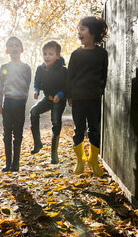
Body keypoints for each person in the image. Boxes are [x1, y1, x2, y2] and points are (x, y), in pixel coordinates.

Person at [67, 16, 109, 176]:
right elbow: (69, 76)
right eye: (79, 29)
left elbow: (104, 75)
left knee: (94, 130)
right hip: (78, 98)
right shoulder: (75, 54)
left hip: (94, 99)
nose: (79, 32)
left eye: (82, 29)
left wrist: (100, 91)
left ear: (93, 32)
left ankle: (93, 160)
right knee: (79, 129)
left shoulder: (102, 54)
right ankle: (80, 160)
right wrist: (69, 94)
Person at [0, 36, 31, 172]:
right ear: (7, 51)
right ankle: (8, 163)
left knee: (18, 132)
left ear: (22, 49)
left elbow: (27, 86)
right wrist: (0, 103)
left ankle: (16, 163)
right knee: (7, 133)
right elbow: (0, 87)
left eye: (17, 45)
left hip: (20, 103)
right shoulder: (4, 68)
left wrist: (23, 101)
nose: (14, 48)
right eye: (11, 46)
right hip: (8, 102)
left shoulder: (26, 68)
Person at [30, 41, 67, 164]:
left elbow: (67, 86)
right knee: (33, 111)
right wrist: (36, 91)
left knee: (55, 121)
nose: (47, 56)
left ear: (58, 56)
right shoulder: (40, 69)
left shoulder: (63, 71)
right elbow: (36, 82)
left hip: (59, 99)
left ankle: (54, 153)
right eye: (45, 54)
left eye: (51, 54)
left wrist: (60, 95)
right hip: (47, 98)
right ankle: (37, 143)